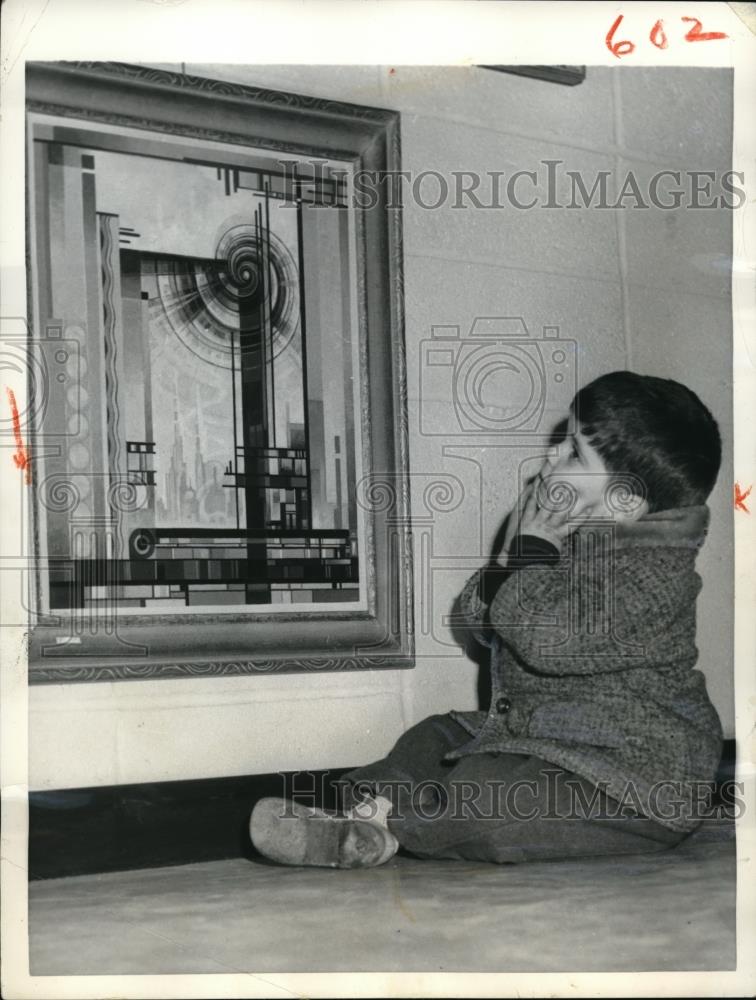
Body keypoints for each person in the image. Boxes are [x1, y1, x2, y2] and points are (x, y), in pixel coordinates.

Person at [250, 371, 724, 869]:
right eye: (563, 439)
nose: (551, 455)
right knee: (436, 738)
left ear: (624, 500)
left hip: (632, 781)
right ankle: (363, 817)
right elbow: (481, 623)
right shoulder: (567, 537)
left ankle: (389, 824)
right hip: (540, 739)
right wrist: (508, 559)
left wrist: (531, 553)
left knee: (494, 793)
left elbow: (548, 642)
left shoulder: (653, 574)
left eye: (575, 453)